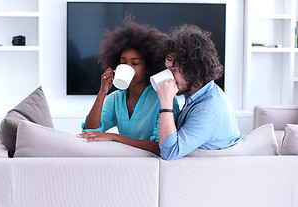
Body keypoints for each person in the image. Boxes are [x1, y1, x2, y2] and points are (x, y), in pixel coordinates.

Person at [78, 15, 180, 156]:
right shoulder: (115, 99)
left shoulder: (163, 98)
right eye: (123, 62)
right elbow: (89, 133)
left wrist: (115, 138)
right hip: (126, 165)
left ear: (148, 67)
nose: (128, 67)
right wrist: (102, 93)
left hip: (152, 167)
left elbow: (161, 147)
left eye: (135, 63)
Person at [156, 24, 243, 160]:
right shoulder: (198, 95)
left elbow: (169, 152)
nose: (169, 76)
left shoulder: (208, 109)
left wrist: (166, 103)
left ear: (194, 69)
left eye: (173, 70)